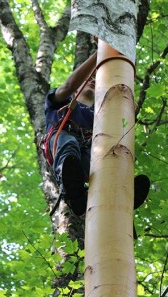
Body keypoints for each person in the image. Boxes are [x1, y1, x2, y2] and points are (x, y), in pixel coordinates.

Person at [43, 51, 150, 219]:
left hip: (87, 157)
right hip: (63, 146)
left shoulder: (101, 117)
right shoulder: (60, 102)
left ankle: (120, 190)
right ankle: (72, 190)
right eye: (89, 78)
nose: (93, 80)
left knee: (108, 158)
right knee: (69, 143)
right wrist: (100, 53)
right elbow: (69, 86)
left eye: (98, 80)